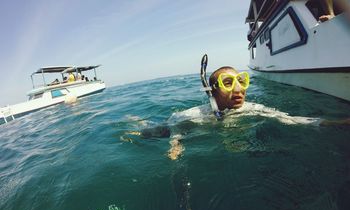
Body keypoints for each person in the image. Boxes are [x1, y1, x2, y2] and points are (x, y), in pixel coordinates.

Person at [122, 55, 350, 160]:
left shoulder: (251, 109)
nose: (238, 89)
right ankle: (135, 120)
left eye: (242, 81)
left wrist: (332, 122)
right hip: (167, 127)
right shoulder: (195, 114)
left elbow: (290, 119)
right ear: (212, 90)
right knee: (143, 133)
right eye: (228, 83)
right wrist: (175, 144)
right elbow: (175, 126)